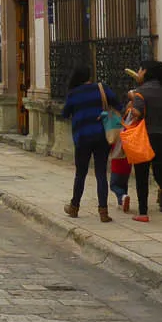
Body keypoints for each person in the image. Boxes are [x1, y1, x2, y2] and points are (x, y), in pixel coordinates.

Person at [125, 61, 162, 224]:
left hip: (145, 138)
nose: (138, 72)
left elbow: (136, 113)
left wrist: (132, 101)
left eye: (140, 69)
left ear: (146, 72)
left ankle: (143, 212)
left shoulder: (141, 92)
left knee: (142, 176)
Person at [60, 66, 115, 222]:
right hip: (102, 136)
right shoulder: (101, 88)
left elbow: (64, 113)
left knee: (81, 173)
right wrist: (103, 113)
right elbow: (118, 105)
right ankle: (103, 211)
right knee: (101, 173)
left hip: (82, 137)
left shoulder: (73, 94)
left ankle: (74, 206)